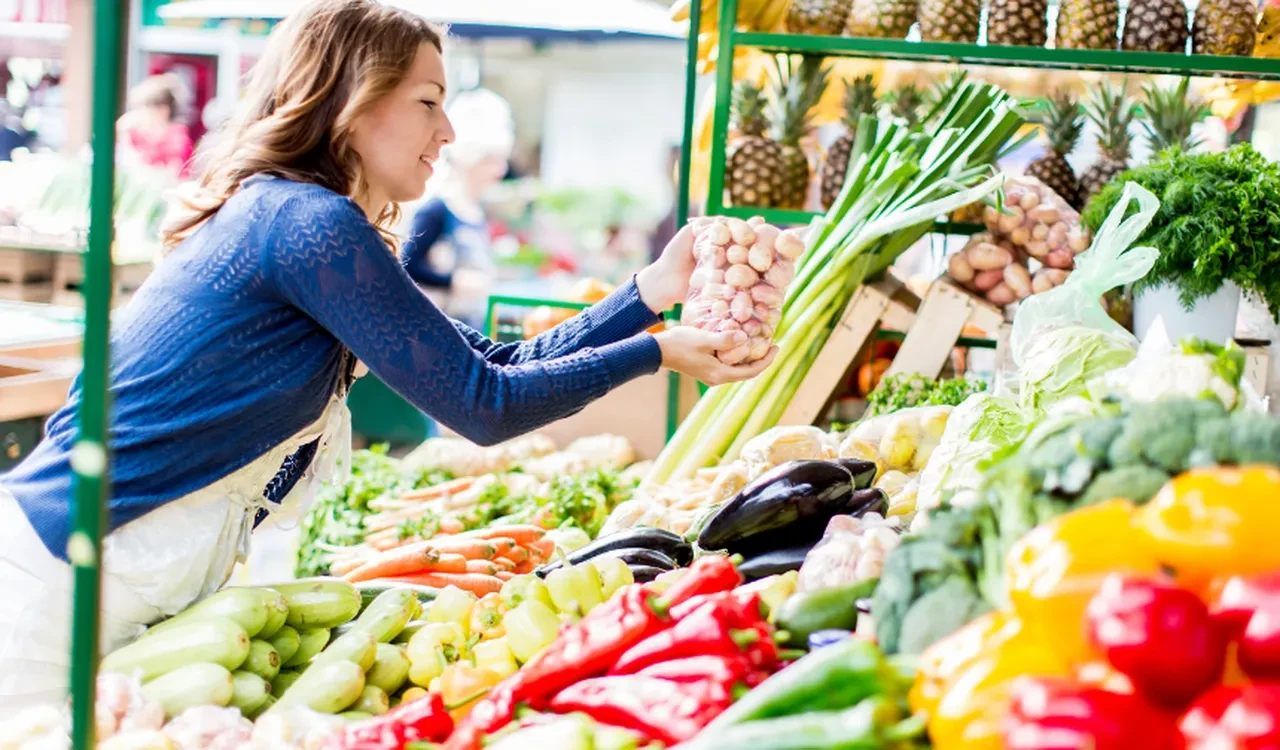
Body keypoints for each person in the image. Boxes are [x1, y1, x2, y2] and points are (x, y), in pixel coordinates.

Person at [0, 0, 775, 709]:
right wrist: (656, 353)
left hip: (106, 577)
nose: (449, 132)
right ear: (353, 100)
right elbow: (484, 407)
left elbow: (497, 364)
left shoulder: (305, 221)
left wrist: (648, 290)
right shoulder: (308, 225)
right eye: (428, 102)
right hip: (57, 584)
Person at [400, 88, 513, 330]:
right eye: (490, 161)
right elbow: (406, 264)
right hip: (441, 331)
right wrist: (452, 281)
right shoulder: (437, 209)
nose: (500, 170)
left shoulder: (475, 210)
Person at [116, 73, 194, 179]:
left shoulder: (176, 137)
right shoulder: (137, 133)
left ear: (164, 109)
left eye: (148, 109)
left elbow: (176, 173)